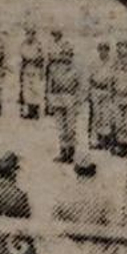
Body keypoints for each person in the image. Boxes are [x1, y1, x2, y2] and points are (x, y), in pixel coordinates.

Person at [45, 32, 80, 164]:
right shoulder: (54, 68)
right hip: (58, 98)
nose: (66, 57)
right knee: (60, 127)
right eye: (64, 54)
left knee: (70, 127)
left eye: (69, 54)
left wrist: (78, 101)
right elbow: (50, 85)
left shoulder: (76, 69)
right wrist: (50, 100)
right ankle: (63, 151)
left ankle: (71, 152)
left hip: (70, 99)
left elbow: (80, 86)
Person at [18, 27, 44, 119]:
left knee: (35, 90)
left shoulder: (38, 45)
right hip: (27, 69)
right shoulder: (23, 44)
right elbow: (22, 55)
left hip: (35, 68)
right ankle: (29, 111)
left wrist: (41, 70)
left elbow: (40, 57)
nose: (29, 36)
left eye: (31, 34)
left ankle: (35, 111)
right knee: (27, 90)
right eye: (28, 34)